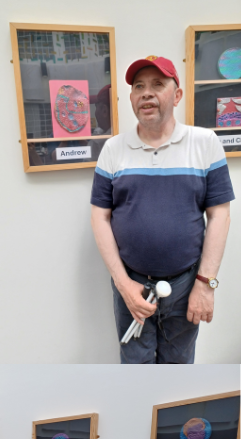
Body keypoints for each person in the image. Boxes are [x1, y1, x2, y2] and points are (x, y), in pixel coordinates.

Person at [91, 55, 233, 364]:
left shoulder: (205, 143)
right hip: (131, 283)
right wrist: (122, 283)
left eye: (158, 84)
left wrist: (205, 285)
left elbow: (220, 214)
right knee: (135, 363)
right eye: (138, 86)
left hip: (186, 284)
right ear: (131, 98)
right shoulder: (113, 149)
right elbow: (100, 216)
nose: (146, 93)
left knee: (179, 363)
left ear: (177, 95)